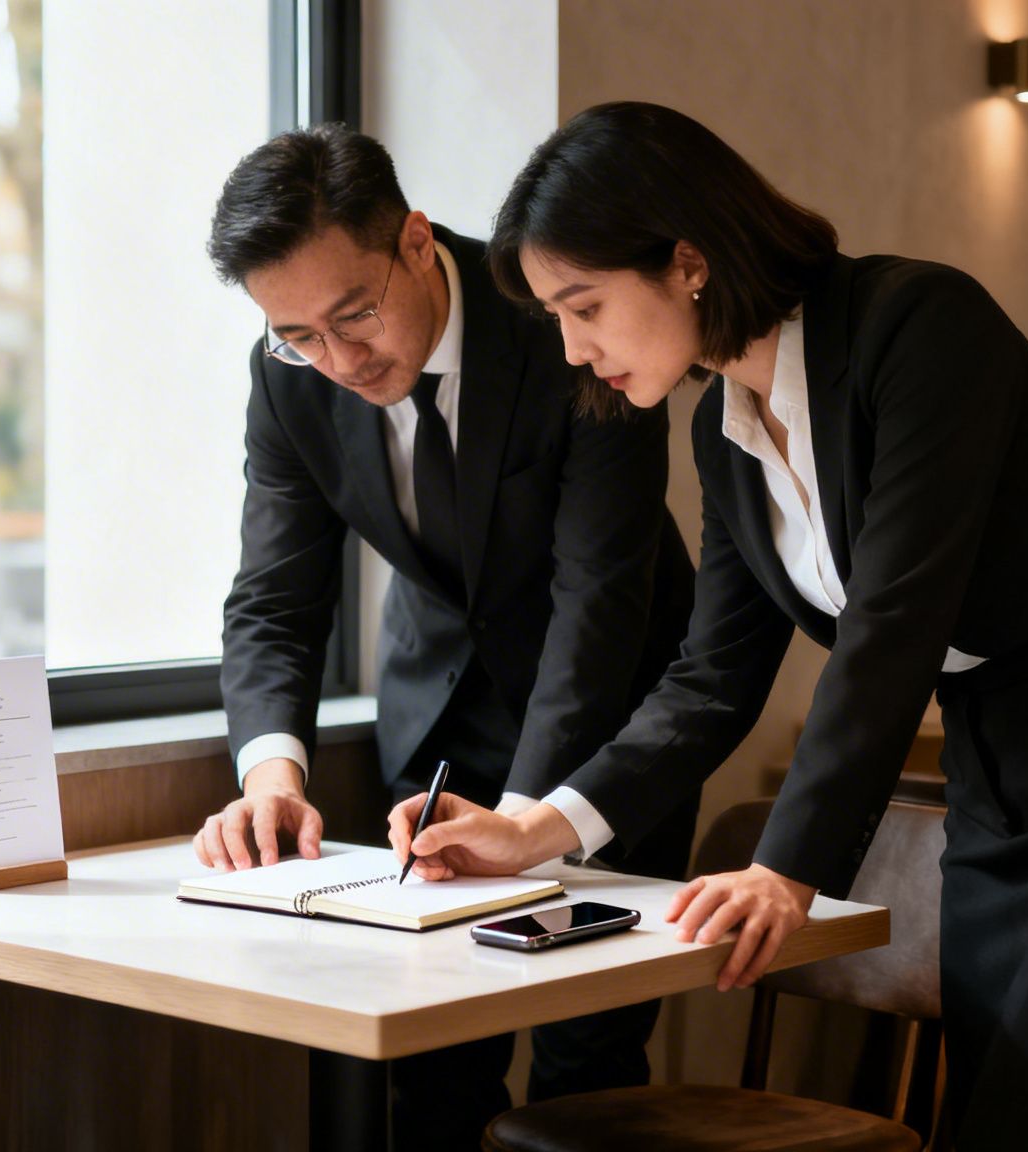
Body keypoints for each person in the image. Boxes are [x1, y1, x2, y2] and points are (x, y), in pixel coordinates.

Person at [391, 102, 1028, 1151]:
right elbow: (709, 677)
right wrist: (538, 826)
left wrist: (787, 868)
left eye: (582, 307)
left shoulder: (917, 325)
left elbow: (895, 620)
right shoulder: (725, 434)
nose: (574, 350)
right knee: (1001, 1091)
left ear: (685, 261)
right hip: (997, 765)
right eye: (553, 319)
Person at [194, 123, 698, 1151]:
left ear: (417, 241)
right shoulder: (289, 372)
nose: (336, 361)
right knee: (427, 1068)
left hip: (603, 736)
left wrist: (527, 824)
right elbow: (274, 596)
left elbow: (598, 595)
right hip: (436, 731)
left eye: (354, 315)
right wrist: (269, 777)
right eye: (297, 335)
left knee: (582, 1070)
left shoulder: (563, 317)